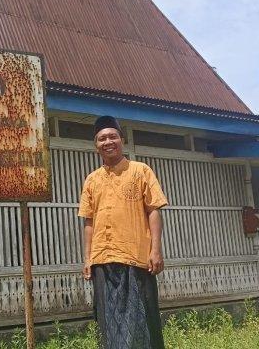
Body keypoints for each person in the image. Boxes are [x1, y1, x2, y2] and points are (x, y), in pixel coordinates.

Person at [79, 116, 168, 349]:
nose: (108, 141)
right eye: (102, 138)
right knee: (108, 320)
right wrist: (87, 258)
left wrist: (155, 250)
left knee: (142, 318)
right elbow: (88, 221)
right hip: (102, 260)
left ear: (122, 140)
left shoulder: (141, 171)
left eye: (112, 136)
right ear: (96, 145)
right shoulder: (91, 180)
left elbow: (153, 210)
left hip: (136, 258)